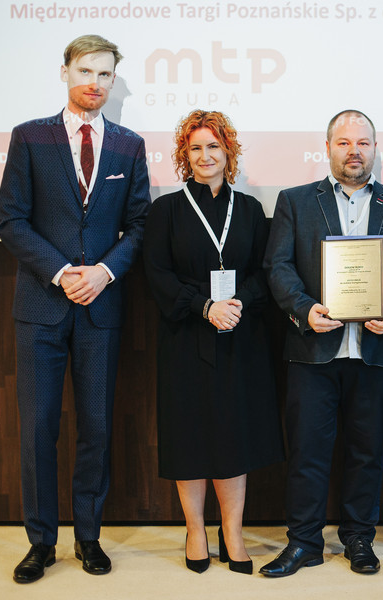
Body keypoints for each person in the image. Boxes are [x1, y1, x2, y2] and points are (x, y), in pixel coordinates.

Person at [0, 35, 150, 583]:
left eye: (105, 74)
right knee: (38, 428)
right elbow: (11, 220)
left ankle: (89, 537)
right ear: (64, 72)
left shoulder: (129, 145)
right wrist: (63, 272)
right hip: (41, 306)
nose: (95, 82)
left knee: (96, 427)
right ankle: (41, 543)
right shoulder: (30, 136)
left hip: (100, 309)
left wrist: (103, 272)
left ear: (114, 81)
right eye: (86, 71)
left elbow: (140, 225)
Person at [260, 110, 383, 577]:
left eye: (363, 143)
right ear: (327, 148)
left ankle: (359, 539)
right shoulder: (296, 200)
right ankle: (304, 542)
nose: (354, 151)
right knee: (307, 453)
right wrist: (304, 310)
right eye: (344, 143)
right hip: (314, 348)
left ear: (375, 148)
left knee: (367, 452)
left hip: (374, 349)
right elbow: (278, 266)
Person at [142, 110, 284, 574]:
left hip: (239, 337)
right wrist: (204, 307)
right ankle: (196, 531)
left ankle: (233, 532)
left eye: (214, 147)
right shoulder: (165, 210)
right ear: (185, 155)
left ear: (229, 152)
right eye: (196, 148)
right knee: (188, 435)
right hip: (185, 336)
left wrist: (238, 304)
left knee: (232, 435)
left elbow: (265, 271)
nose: (205, 156)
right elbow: (157, 274)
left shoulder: (250, 210)